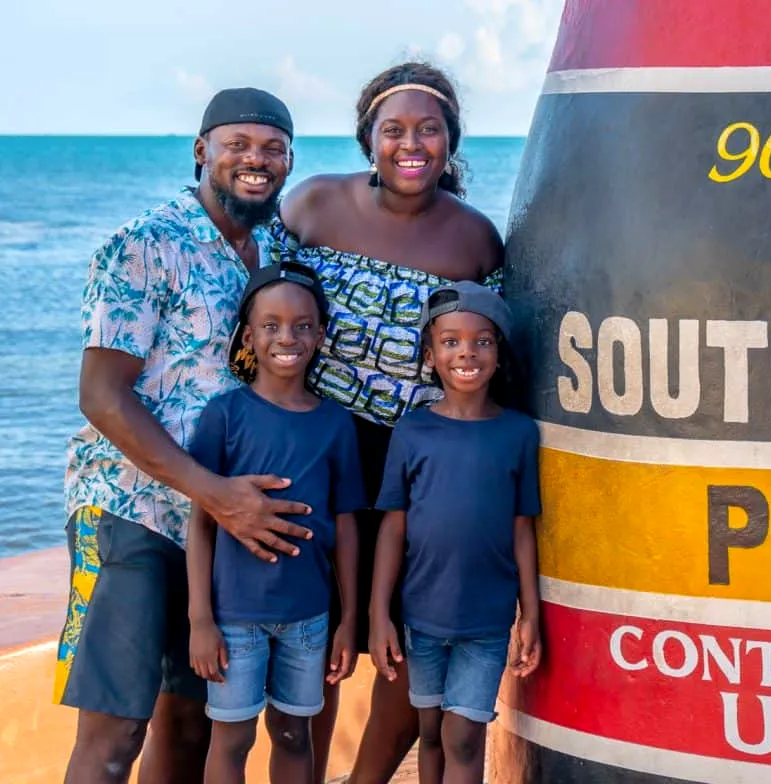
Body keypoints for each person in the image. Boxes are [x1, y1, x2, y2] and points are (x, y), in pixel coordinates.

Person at [58, 88, 320, 784]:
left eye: (272, 149)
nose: (254, 161)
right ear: (201, 151)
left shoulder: (274, 251)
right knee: (115, 732)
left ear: (290, 162)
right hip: (132, 511)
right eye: (237, 145)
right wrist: (217, 493)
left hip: (219, 524)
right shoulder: (145, 243)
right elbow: (101, 394)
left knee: (191, 724)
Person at [269, 62, 506, 782]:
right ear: (367, 138)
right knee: (314, 642)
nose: (412, 144)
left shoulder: (476, 242)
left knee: (407, 646)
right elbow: (260, 324)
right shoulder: (311, 205)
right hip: (317, 452)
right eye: (393, 129)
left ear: (450, 141)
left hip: (421, 466)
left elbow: (489, 360)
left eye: (428, 129)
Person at [184, 262, 366, 783]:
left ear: (320, 334)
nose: (287, 337)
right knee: (233, 737)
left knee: (293, 734)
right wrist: (201, 619)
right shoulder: (224, 415)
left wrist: (347, 620)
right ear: (249, 334)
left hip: (309, 618)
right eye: (271, 325)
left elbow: (347, 527)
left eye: (303, 325)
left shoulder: (336, 424)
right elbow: (202, 522)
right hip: (234, 617)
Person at [369, 282, 542, 784]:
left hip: (487, 621)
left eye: (481, 341)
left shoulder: (518, 433)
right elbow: (392, 527)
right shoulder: (413, 432)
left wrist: (529, 613)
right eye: (451, 342)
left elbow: (523, 527)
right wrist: (381, 614)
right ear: (430, 355)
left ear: (498, 352)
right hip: (422, 617)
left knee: (463, 736)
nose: (466, 352)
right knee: (430, 734)